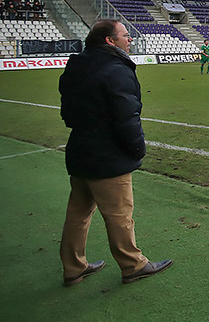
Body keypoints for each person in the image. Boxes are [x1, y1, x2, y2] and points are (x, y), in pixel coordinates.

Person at [58, 19, 173, 286]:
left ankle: (73, 267)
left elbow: (68, 111)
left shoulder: (77, 66)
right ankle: (133, 265)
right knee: (119, 214)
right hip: (107, 154)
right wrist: (137, 148)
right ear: (110, 40)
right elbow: (126, 116)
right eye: (124, 35)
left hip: (80, 147)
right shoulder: (116, 69)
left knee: (78, 213)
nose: (129, 39)